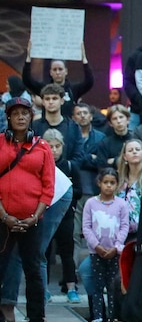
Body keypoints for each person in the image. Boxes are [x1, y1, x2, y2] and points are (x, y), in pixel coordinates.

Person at [0, 97, 54, 322]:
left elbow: (48, 186)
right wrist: (4, 215)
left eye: (25, 113)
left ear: (31, 118)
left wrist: (35, 216)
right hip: (2, 219)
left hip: (33, 220)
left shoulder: (42, 146)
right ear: (8, 118)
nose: (21, 117)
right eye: (16, 113)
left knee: (33, 272)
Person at [82, 166, 129, 322]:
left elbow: (124, 226)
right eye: (106, 182)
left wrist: (116, 247)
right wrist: (97, 246)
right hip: (97, 253)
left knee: (112, 286)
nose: (109, 186)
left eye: (112, 183)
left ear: (117, 185)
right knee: (97, 285)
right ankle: (97, 317)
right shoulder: (90, 203)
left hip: (115, 253)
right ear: (99, 183)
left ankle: (113, 318)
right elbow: (86, 227)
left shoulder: (121, 205)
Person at [43, 128, 81, 302]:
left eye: (57, 146)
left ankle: (71, 287)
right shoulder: (41, 165)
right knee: (44, 253)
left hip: (66, 216)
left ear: (62, 146)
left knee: (67, 252)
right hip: (45, 215)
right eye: (50, 146)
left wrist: (69, 201)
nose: (54, 150)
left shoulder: (70, 166)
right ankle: (43, 289)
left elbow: (79, 190)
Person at [23, 41, 94, 118]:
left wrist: (84, 59)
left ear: (66, 71)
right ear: (50, 72)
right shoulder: (44, 89)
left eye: (60, 69)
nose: (57, 72)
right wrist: (28, 58)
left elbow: (89, 82)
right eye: (54, 69)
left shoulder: (73, 89)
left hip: (68, 127)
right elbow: (27, 80)